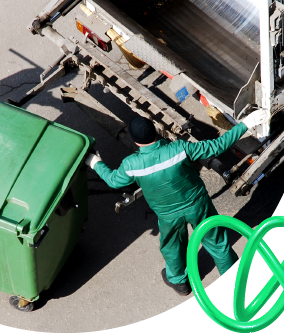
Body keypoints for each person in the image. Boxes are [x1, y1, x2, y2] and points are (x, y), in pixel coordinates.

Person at [85, 109, 268, 296]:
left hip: (168, 215)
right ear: (155, 131)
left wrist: (94, 162)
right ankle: (234, 281)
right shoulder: (179, 148)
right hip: (198, 205)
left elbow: (114, 180)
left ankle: (179, 281)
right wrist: (247, 123)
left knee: (172, 246)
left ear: (135, 141)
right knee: (216, 241)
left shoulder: (131, 165)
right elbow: (218, 146)